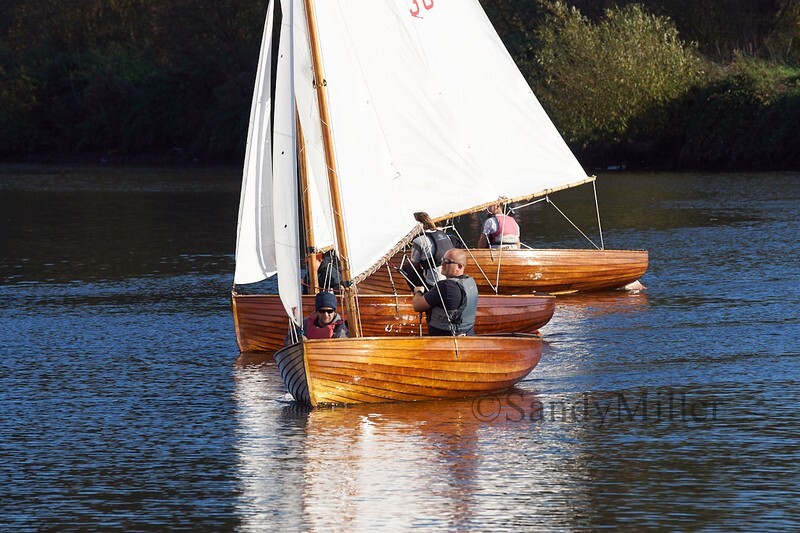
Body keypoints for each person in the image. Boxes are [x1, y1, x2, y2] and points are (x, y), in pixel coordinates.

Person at [411, 248, 478, 336]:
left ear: (460, 266)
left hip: (445, 340)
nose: (442, 264)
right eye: (442, 260)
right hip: (466, 334)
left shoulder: (446, 286)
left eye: (447, 262)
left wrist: (418, 292)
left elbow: (417, 306)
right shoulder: (470, 282)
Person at [401, 211, 456, 290]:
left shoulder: (418, 241)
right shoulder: (443, 234)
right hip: (449, 278)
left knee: (407, 269)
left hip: (434, 283)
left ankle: (421, 293)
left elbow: (415, 266)